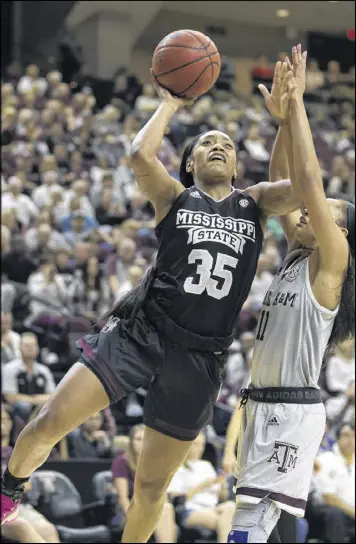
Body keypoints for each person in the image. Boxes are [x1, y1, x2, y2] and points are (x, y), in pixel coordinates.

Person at [1, 65, 302, 544]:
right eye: (206, 142)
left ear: (239, 165)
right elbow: (140, 153)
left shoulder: (255, 204)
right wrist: (171, 103)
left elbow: (301, 186)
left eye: (226, 142)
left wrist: (289, 118)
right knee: (46, 425)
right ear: (189, 164)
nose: (219, 145)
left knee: (151, 487)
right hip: (143, 332)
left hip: (200, 357)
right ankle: (9, 489)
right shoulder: (176, 198)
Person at [227, 46, 355, 543]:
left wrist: (299, 104)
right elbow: (286, 185)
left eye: (324, 212)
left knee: (248, 532)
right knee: (273, 534)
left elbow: (306, 181)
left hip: (291, 410)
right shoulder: (294, 256)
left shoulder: (330, 266)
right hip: (259, 404)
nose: (306, 212)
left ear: (339, 233)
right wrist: (282, 120)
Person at [112, 424, 177, 543]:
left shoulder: (155, 462)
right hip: (128, 509)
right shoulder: (122, 461)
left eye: (145, 439)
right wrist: (133, 519)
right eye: (138, 439)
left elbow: (160, 494)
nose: (142, 443)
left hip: (149, 508)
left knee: (167, 508)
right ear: (131, 442)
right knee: (165, 511)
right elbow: (122, 497)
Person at [168, 431, 235, 543]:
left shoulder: (206, 465)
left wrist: (222, 485)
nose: (199, 448)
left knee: (231, 506)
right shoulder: (177, 467)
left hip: (213, 508)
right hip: (189, 510)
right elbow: (176, 500)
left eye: (202, 444)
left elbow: (222, 498)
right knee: (226, 522)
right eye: (195, 444)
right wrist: (202, 486)